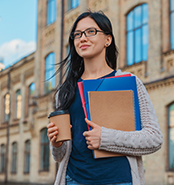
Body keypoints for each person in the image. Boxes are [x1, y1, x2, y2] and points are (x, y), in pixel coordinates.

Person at [47, 11, 163, 185]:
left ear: (107, 40)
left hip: (118, 180)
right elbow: (60, 156)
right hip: (73, 180)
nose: (82, 38)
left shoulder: (128, 83)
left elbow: (153, 138)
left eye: (91, 32)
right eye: (77, 34)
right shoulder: (65, 91)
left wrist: (106, 138)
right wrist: (56, 145)